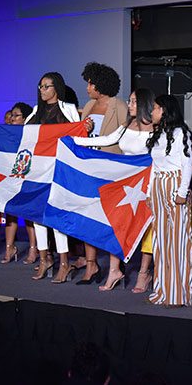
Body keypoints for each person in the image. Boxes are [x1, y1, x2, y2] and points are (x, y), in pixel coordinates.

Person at [73, 88, 156, 291]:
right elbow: (107, 140)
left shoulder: (158, 128)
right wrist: (76, 141)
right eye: (130, 101)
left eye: (134, 102)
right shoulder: (128, 123)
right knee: (116, 225)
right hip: (125, 183)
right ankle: (114, 271)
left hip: (146, 185)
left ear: (145, 103)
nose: (130, 105)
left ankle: (144, 274)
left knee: (146, 231)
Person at [75, 62, 129, 286]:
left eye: (91, 83)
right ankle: (91, 265)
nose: (88, 87)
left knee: (110, 218)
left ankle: (116, 267)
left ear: (101, 83)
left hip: (111, 168)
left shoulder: (118, 105)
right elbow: (79, 132)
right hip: (88, 166)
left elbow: (126, 135)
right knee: (88, 216)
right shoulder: (88, 105)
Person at [26, 72, 80, 283]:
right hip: (39, 171)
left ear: (56, 87)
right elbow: (24, 135)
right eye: (40, 86)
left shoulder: (69, 109)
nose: (42, 90)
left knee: (56, 217)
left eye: (47, 86)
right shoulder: (35, 112)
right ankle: (44, 258)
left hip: (60, 170)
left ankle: (64, 263)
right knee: (38, 215)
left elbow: (77, 136)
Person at [146, 95, 192, 307]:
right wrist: (149, 191)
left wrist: (182, 191)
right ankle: (163, 290)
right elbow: (154, 166)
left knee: (179, 241)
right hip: (158, 186)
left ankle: (178, 294)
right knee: (161, 241)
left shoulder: (181, 133)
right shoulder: (157, 134)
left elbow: (188, 163)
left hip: (175, 185)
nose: (151, 112)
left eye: (155, 108)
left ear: (165, 110)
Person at [0, 101, 38, 264]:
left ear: (25, 118)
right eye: (10, 116)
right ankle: (9, 247)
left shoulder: (32, 134)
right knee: (10, 212)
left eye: (16, 116)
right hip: (11, 177)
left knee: (28, 214)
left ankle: (33, 248)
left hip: (29, 176)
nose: (12, 119)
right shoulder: (6, 134)